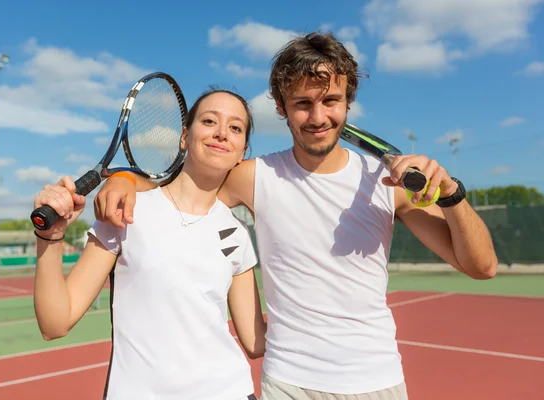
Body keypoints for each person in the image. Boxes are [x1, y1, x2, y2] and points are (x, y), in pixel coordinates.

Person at [91, 32, 498, 400]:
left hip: (376, 381)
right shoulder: (254, 177)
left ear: (348, 102)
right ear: (282, 108)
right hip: (288, 384)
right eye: (303, 104)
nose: (318, 117)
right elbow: (183, 186)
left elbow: (481, 266)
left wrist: (451, 195)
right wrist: (125, 179)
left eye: (330, 101)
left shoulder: (385, 183)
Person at [32, 88, 266, 400]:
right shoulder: (126, 210)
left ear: (242, 151)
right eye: (209, 121)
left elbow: (255, 342)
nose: (222, 133)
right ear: (185, 136)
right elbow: (55, 322)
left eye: (235, 128)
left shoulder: (236, 233)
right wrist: (50, 237)